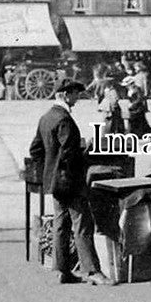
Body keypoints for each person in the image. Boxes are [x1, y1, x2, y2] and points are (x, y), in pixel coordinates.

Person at [28, 81, 113, 285]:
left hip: (55, 183)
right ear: (66, 95)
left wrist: (50, 170)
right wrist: (86, 149)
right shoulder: (64, 120)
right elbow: (69, 154)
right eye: (76, 94)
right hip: (70, 181)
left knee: (61, 225)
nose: (78, 98)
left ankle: (62, 270)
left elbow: (35, 150)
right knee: (82, 224)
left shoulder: (46, 117)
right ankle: (92, 271)